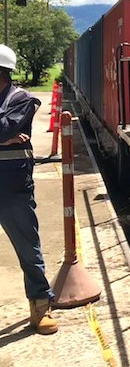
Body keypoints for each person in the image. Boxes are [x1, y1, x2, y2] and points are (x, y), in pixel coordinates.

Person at [0, 44, 58, 335]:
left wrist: (7, 136)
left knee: (28, 248)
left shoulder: (21, 99)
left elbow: (9, 129)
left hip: (13, 187)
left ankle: (40, 306)